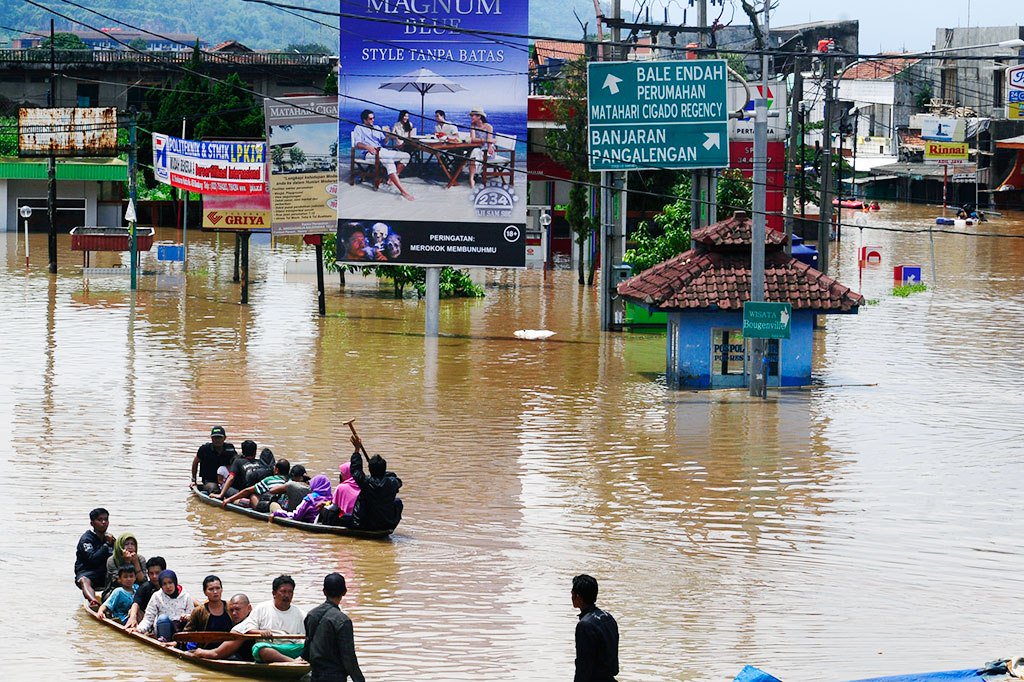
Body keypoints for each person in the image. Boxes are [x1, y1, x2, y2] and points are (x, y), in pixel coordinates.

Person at [303, 573, 365, 682]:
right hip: (335, 677)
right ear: (344, 592)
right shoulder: (343, 621)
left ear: (324, 592)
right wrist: (359, 679)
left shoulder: (311, 615)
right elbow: (348, 658)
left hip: (315, 675)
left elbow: (308, 649)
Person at [340, 436, 403, 531]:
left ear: (370, 470)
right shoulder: (393, 482)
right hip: (387, 523)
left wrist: (357, 450)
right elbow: (394, 477)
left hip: (365, 524)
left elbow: (356, 470)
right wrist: (378, 469)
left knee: (343, 517)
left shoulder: (366, 482)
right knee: (397, 502)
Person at [353, 109, 415, 201]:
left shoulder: (377, 127)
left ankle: (392, 178)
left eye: (373, 118)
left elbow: (384, 142)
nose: (373, 120)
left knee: (406, 156)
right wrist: (367, 147)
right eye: (370, 118)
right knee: (389, 161)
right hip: (369, 153)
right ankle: (402, 191)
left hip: (382, 150)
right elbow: (357, 143)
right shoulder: (359, 128)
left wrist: (387, 135)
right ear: (364, 120)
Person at [245, 575, 306, 663]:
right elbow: (248, 629)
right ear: (274, 593)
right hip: (270, 648)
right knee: (259, 648)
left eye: (290, 592)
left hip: (292, 648)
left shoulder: (301, 614)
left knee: (313, 646)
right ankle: (293, 662)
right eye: (283, 592)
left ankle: (295, 661)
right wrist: (261, 632)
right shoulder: (261, 608)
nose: (287, 595)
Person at [571, 574, 619, 682]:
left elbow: (584, 666)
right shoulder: (608, 617)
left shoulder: (584, 625)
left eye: (572, 594)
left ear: (578, 597)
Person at [137, 569, 198, 641]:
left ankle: (181, 643)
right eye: (164, 584)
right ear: (161, 585)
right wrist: (138, 630)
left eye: (170, 583)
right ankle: (165, 642)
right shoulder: (157, 596)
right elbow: (148, 619)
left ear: (175, 582)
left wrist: (186, 617)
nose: (168, 586)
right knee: (163, 618)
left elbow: (192, 617)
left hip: (181, 629)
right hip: (163, 628)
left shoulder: (186, 596)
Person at [191, 593, 255, 661]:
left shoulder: (242, 627)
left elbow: (216, 654)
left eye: (237, 609)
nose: (234, 613)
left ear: (249, 608)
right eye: (231, 610)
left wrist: (200, 652)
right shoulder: (255, 619)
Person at [75, 507, 114, 608]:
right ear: (92, 523)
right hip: (88, 572)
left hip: (106, 573)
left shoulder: (110, 539)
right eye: (100, 520)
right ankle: (93, 601)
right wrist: (106, 545)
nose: (104, 522)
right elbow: (93, 559)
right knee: (84, 580)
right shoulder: (86, 539)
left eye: (106, 519)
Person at [222, 458, 290, 511]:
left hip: (269, 506)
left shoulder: (269, 480)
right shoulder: (291, 481)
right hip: (284, 505)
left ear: (276, 470)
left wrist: (229, 500)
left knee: (253, 495)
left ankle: (254, 508)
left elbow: (247, 491)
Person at [184, 575, 234, 646]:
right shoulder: (199, 611)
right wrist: (177, 643)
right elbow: (187, 633)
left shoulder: (231, 607)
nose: (215, 592)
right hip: (205, 649)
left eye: (218, 588)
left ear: (222, 590)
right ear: (205, 592)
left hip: (229, 648)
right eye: (211, 589)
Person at [192, 426, 238, 493]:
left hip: (225, 479)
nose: (217, 440)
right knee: (213, 488)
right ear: (211, 438)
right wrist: (194, 480)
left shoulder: (230, 449)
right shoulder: (204, 449)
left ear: (224, 438)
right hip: (209, 480)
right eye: (215, 438)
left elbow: (236, 462)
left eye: (219, 438)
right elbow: (195, 462)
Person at [102, 532, 146, 601]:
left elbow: (143, 581)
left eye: (132, 544)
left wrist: (136, 563)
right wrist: (127, 562)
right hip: (115, 590)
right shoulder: (112, 560)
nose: (130, 547)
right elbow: (118, 582)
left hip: (137, 589)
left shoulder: (140, 559)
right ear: (120, 546)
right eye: (126, 544)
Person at [126, 556, 167, 630]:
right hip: (146, 618)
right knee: (132, 611)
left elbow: (184, 596)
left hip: (165, 618)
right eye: (151, 573)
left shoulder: (169, 586)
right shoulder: (145, 587)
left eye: (157, 573)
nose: (154, 576)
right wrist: (132, 617)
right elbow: (135, 604)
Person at [466, 107, 497, 190]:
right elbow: (472, 139)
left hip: (488, 149)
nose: (471, 117)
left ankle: (472, 177)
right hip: (478, 147)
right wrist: (486, 140)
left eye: (473, 116)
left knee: (474, 153)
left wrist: (490, 145)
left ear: (479, 116)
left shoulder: (488, 127)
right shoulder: (473, 125)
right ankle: (471, 178)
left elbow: (489, 142)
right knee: (475, 152)